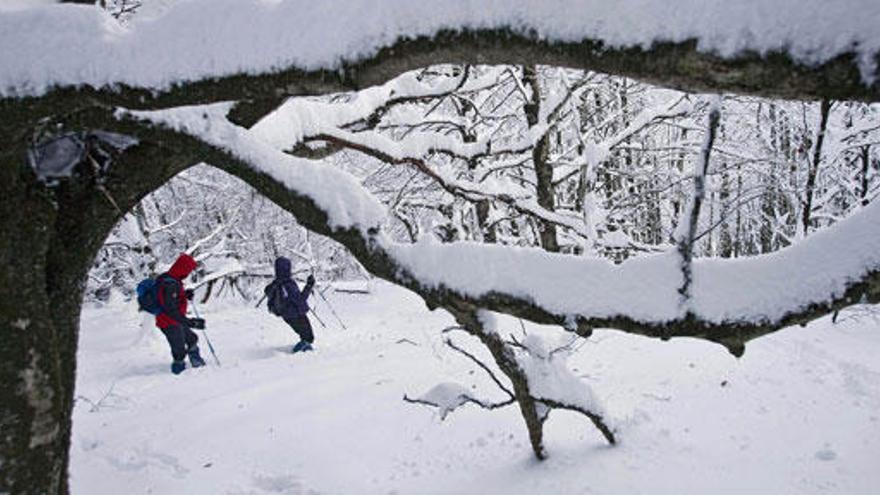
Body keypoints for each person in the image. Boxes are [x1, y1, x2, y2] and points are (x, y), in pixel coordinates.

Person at [155, 253, 206, 374]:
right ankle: (178, 373)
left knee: (192, 338)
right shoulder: (170, 284)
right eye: (189, 270)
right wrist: (191, 322)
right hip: (168, 322)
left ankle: (196, 360)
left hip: (175, 320)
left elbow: (170, 299)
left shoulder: (171, 278)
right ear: (184, 268)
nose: (189, 273)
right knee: (179, 350)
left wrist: (184, 295)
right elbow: (170, 310)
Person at [265, 256, 316, 353]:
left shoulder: (277, 283)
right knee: (308, 337)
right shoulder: (288, 284)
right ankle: (300, 356)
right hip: (296, 314)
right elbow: (300, 300)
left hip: (287, 315)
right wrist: (309, 286)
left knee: (305, 336)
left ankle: (303, 352)